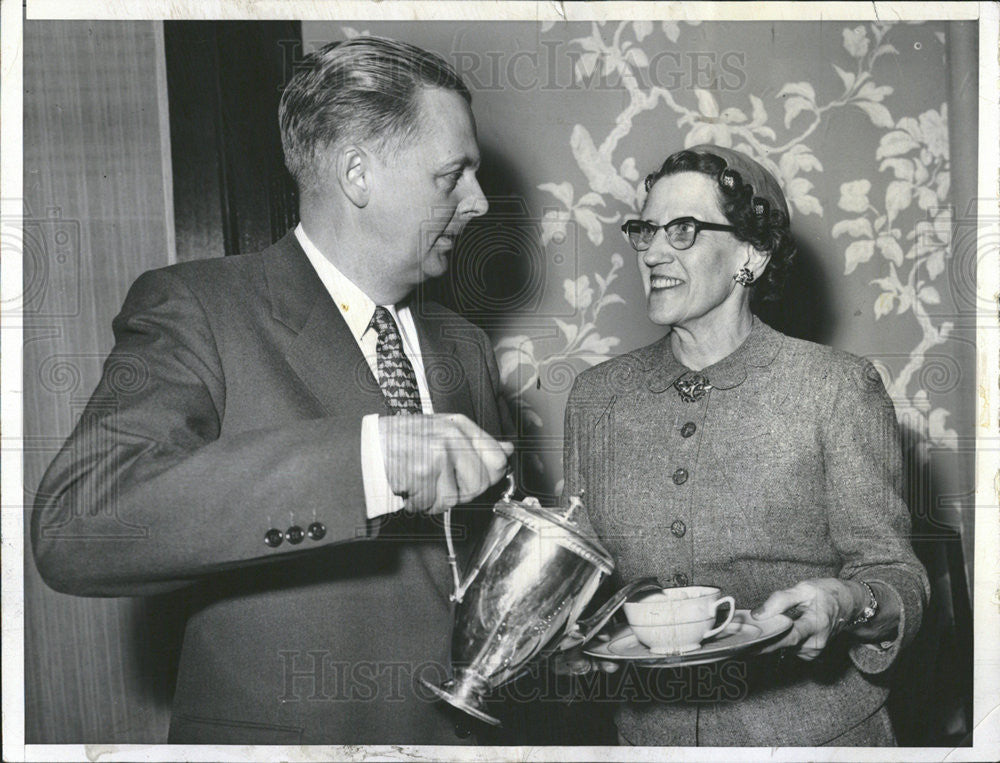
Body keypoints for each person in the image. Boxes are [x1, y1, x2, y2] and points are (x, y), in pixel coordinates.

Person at [31, 37, 516, 745]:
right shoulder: (198, 306)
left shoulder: (465, 345)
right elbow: (77, 522)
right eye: (453, 176)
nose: (478, 203)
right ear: (358, 174)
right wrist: (371, 461)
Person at [562, 145, 930, 746]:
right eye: (645, 230)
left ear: (752, 256)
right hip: (649, 739)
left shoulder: (835, 387)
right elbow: (582, 581)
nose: (652, 252)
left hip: (814, 738)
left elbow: (896, 576)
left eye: (682, 231)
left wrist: (844, 601)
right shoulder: (596, 397)